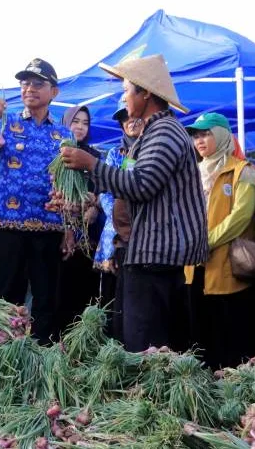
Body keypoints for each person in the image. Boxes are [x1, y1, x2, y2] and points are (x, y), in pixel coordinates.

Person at [60, 54, 207, 353]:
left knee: (146, 348)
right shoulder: (153, 132)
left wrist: (92, 164)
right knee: (140, 341)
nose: (124, 97)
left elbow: (141, 185)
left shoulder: (164, 132)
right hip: (147, 253)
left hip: (156, 256)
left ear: (146, 93)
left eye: (126, 90)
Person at [0, 58, 72, 344]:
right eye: (25, 83)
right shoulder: (5, 122)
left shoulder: (64, 134)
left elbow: (69, 184)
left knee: (45, 299)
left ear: (54, 92)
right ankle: (4, 353)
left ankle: (41, 355)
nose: (30, 89)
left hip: (49, 229)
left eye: (38, 84)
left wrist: (70, 229)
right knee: (6, 298)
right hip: (7, 227)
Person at [184, 113, 255, 369]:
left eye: (206, 134)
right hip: (194, 268)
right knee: (201, 337)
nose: (199, 141)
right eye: (196, 136)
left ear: (221, 135)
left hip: (229, 267)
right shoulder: (193, 173)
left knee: (231, 338)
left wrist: (206, 242)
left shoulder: (243, 171)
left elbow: (241, 217)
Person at [93, 101, 143, 340]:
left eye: (133, 116)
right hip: (115, 231)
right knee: (110, 295)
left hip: (145, 231)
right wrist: (118, 219)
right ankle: (109, 344)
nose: (130, 122)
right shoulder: (115, 153)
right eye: (125, 119)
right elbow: (106, 191)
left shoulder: (152, 150)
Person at [56, 105, 102, 332]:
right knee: (59, 289)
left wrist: (96, 206)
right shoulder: (56, 155)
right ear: (65, 124)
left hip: (89, 234)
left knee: (86, 289)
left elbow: (104, 191)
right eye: (75, 122)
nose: (80, 127)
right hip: (59, 233)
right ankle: (57, 341)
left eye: (85, 123)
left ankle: (83, 341)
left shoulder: (95, 157)